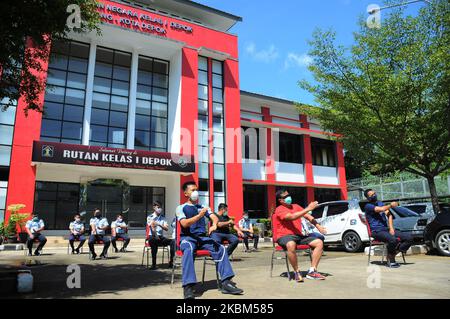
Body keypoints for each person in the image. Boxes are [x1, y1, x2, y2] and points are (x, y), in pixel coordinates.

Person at [176, 181, 244, 299]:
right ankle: (188, 287)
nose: (195, 192)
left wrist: (214, 224)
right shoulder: (181, 208)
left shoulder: (203, 207)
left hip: (202, 238)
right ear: (186, 193)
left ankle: (226, 283)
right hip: (188, 238)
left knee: (221, 249)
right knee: (188, 249)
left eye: (196, 189)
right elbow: (184, 223)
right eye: (192, 190)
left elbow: (213, 217)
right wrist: (199, 216)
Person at [273, 189, 327, 282]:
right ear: (280, 200)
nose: (288, 198)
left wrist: (318, 226)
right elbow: (291, 217)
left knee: (319, 242)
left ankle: (312, 271)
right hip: (284, 236)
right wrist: (308, 208)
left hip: (298, 236)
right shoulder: (279, 209)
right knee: (290, 244)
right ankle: (296, 272)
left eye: (288, 195)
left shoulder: (296, 206)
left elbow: (308, 216)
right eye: (285, 197)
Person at [364, 189, 413, 268]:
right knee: (392, 239)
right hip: (376, 231)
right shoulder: (368, 206)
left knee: (409, 238)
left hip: (386, 229)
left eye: (375, 193)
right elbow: (381, 209)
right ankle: (391, 260)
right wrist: (391, 205)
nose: (374, 195)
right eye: (372, 195)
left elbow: (389, 215)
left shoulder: (380, 203)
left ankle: (392, 254)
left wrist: (391, 228)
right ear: (368, 198)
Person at [146, 201, 174, 269]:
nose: (160, 209)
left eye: (160, 207)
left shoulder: (163, 217)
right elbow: (152, 228)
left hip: (161, 237)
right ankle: (154, 264)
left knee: (173, 241)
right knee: (153, 240)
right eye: (158, 207)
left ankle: (171, 261)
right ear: (154, 207)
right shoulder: (150, 217)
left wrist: (159, 224)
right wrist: (156, 236)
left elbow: (166, 228)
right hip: (152, 236)